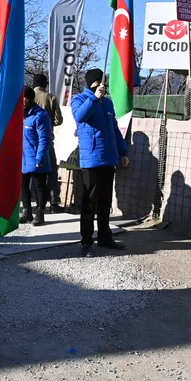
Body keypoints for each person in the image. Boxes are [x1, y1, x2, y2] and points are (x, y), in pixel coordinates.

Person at [70, 69, 130, 257]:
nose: (100, 85)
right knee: (90, 202)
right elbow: (79, 117)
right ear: (90, 83)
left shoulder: (108, 104)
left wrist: (122, 152)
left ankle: (105, 236)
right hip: (92, 159)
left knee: (105, 201)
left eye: (101, 81)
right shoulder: (79, 99)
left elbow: (114, 130)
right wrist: (94, 98)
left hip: (109, 158)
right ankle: (86, 241)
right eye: (97, 82)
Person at [33, 72, 65, 211]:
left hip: (30, 140)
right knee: (51, 171)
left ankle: (33, 203)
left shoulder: (27, 97)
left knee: (30, 172)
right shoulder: (51, 98)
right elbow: (59, 120)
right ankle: (53, 203)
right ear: (45, 84)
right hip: (46, 139)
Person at [21, 86, 52, 226]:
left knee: (39, 186)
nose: (22, 101)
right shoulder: (19, 115)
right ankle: (26, 211)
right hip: (22, 157)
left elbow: (44, 139)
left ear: (30, 98)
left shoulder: (40, 115)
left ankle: (40, 213)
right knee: (23, 185)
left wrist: (40, 157)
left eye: (25, 98)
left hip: (36, 156)